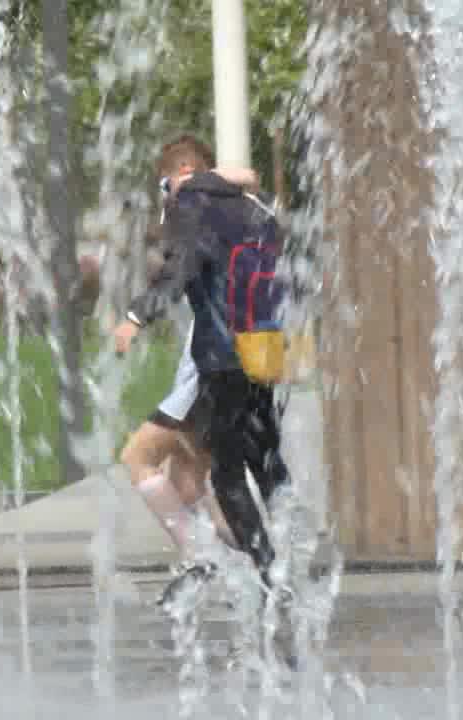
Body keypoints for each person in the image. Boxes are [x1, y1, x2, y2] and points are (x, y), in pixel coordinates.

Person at [114, 134, 292, 607]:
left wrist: (135, 317)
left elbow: (183, 266)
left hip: (216, 360)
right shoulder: (250, 206)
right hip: (260, 352)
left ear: (180, 175)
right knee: (218, 473)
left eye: (164, 187)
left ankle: (260, 572)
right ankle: (261, 564)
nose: (165, 201)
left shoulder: (193, 200)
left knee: (201, 472)